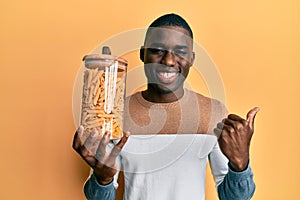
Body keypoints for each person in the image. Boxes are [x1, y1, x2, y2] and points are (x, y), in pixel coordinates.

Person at [72, 13, 259, 200]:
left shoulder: (213, 112)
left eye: (180, 52)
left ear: (191, 59)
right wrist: (103, 179)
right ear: (142, 54)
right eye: (158, 50)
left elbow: (235, 198)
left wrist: (240, 165)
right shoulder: (116, 114)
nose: (169, 61)